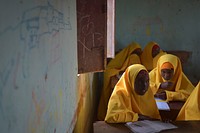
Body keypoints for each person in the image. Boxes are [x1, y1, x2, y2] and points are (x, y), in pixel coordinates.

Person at [97, 42, 142, 120]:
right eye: (136, 52)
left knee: (109, 101)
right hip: (114, 77)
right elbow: (129, 70)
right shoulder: (133, 57)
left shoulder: (124, 56)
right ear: (131, 51)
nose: (138, 54)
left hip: (113, 76)